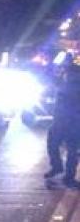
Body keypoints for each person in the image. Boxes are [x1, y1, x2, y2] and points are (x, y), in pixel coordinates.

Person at [45, 60, 80, 188]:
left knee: (68, 149)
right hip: (65, 122)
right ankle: (65, 174)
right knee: (71, 150)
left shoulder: (69, 85)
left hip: (68, 122)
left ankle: (61, 170)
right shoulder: (64, 84)